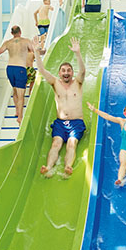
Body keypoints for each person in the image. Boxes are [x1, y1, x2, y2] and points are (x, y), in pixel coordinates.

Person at [33, 36, 86, 177]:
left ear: (72, 73)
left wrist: (77, 53)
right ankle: (48, 166)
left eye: (69, 70)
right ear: (59, 73)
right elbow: (42, 70)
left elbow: (83, 71)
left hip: (76, 123)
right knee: (56, 144)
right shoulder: (55, 83)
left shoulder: (78, 83)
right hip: (60, 123)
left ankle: (68, 166)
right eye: (63, 70)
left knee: (71, 143)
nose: (66, 72)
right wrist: (36, 52)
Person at [0, 25, 34, 125]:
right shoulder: (26, 41)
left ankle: (16, 111)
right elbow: (35, 50)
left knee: (15, 90)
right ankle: (20, 117)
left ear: (12, 33)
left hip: (10, 69)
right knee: (21, 95)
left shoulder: (8, 43)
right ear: (20, 32)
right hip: (20, 68)